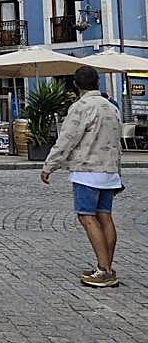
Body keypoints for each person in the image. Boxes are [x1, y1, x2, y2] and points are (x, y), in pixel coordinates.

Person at [42, 66, 124, 288]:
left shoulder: (80, 108)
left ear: (76, 85)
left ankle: (104, 270)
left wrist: (49, 165)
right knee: (105, 217)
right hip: (109, 170)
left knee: (87, 217)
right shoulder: (112, 107)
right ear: (98, 82)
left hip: (88, 170)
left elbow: (67, 139)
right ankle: (107, 265)